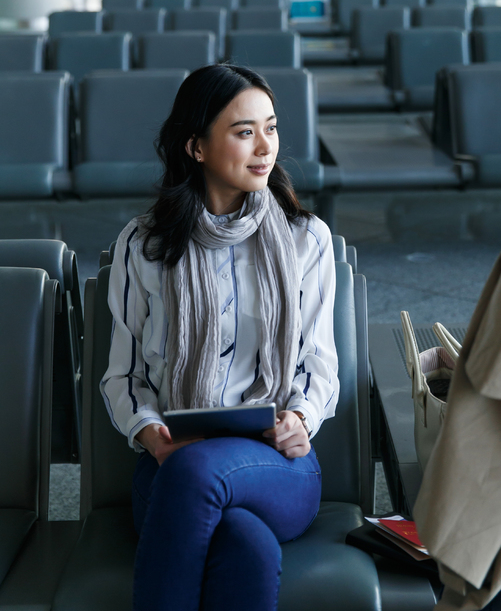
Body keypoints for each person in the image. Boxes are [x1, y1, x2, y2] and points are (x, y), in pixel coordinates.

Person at [101, 64, 339, 611]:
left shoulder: (307, 240)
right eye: (244, 132)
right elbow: (123, 375)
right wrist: (154, 437)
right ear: (196, 147)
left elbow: (319, 365)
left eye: (271, 128)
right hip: (170, 463)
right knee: (246, 546)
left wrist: (301, 419)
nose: (265, 147)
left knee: (197, 474)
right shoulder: (145, 245)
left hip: (279, 466)